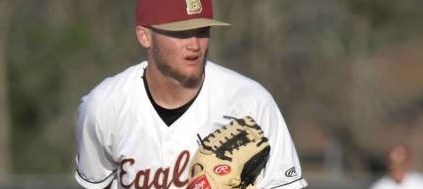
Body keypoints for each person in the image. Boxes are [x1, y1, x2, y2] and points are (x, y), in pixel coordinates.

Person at [74, 0, 308, 188]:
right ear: (145, 36)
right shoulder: (103, 106)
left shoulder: (250, 102)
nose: (195, 45)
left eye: (202, 31)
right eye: (181, 33)